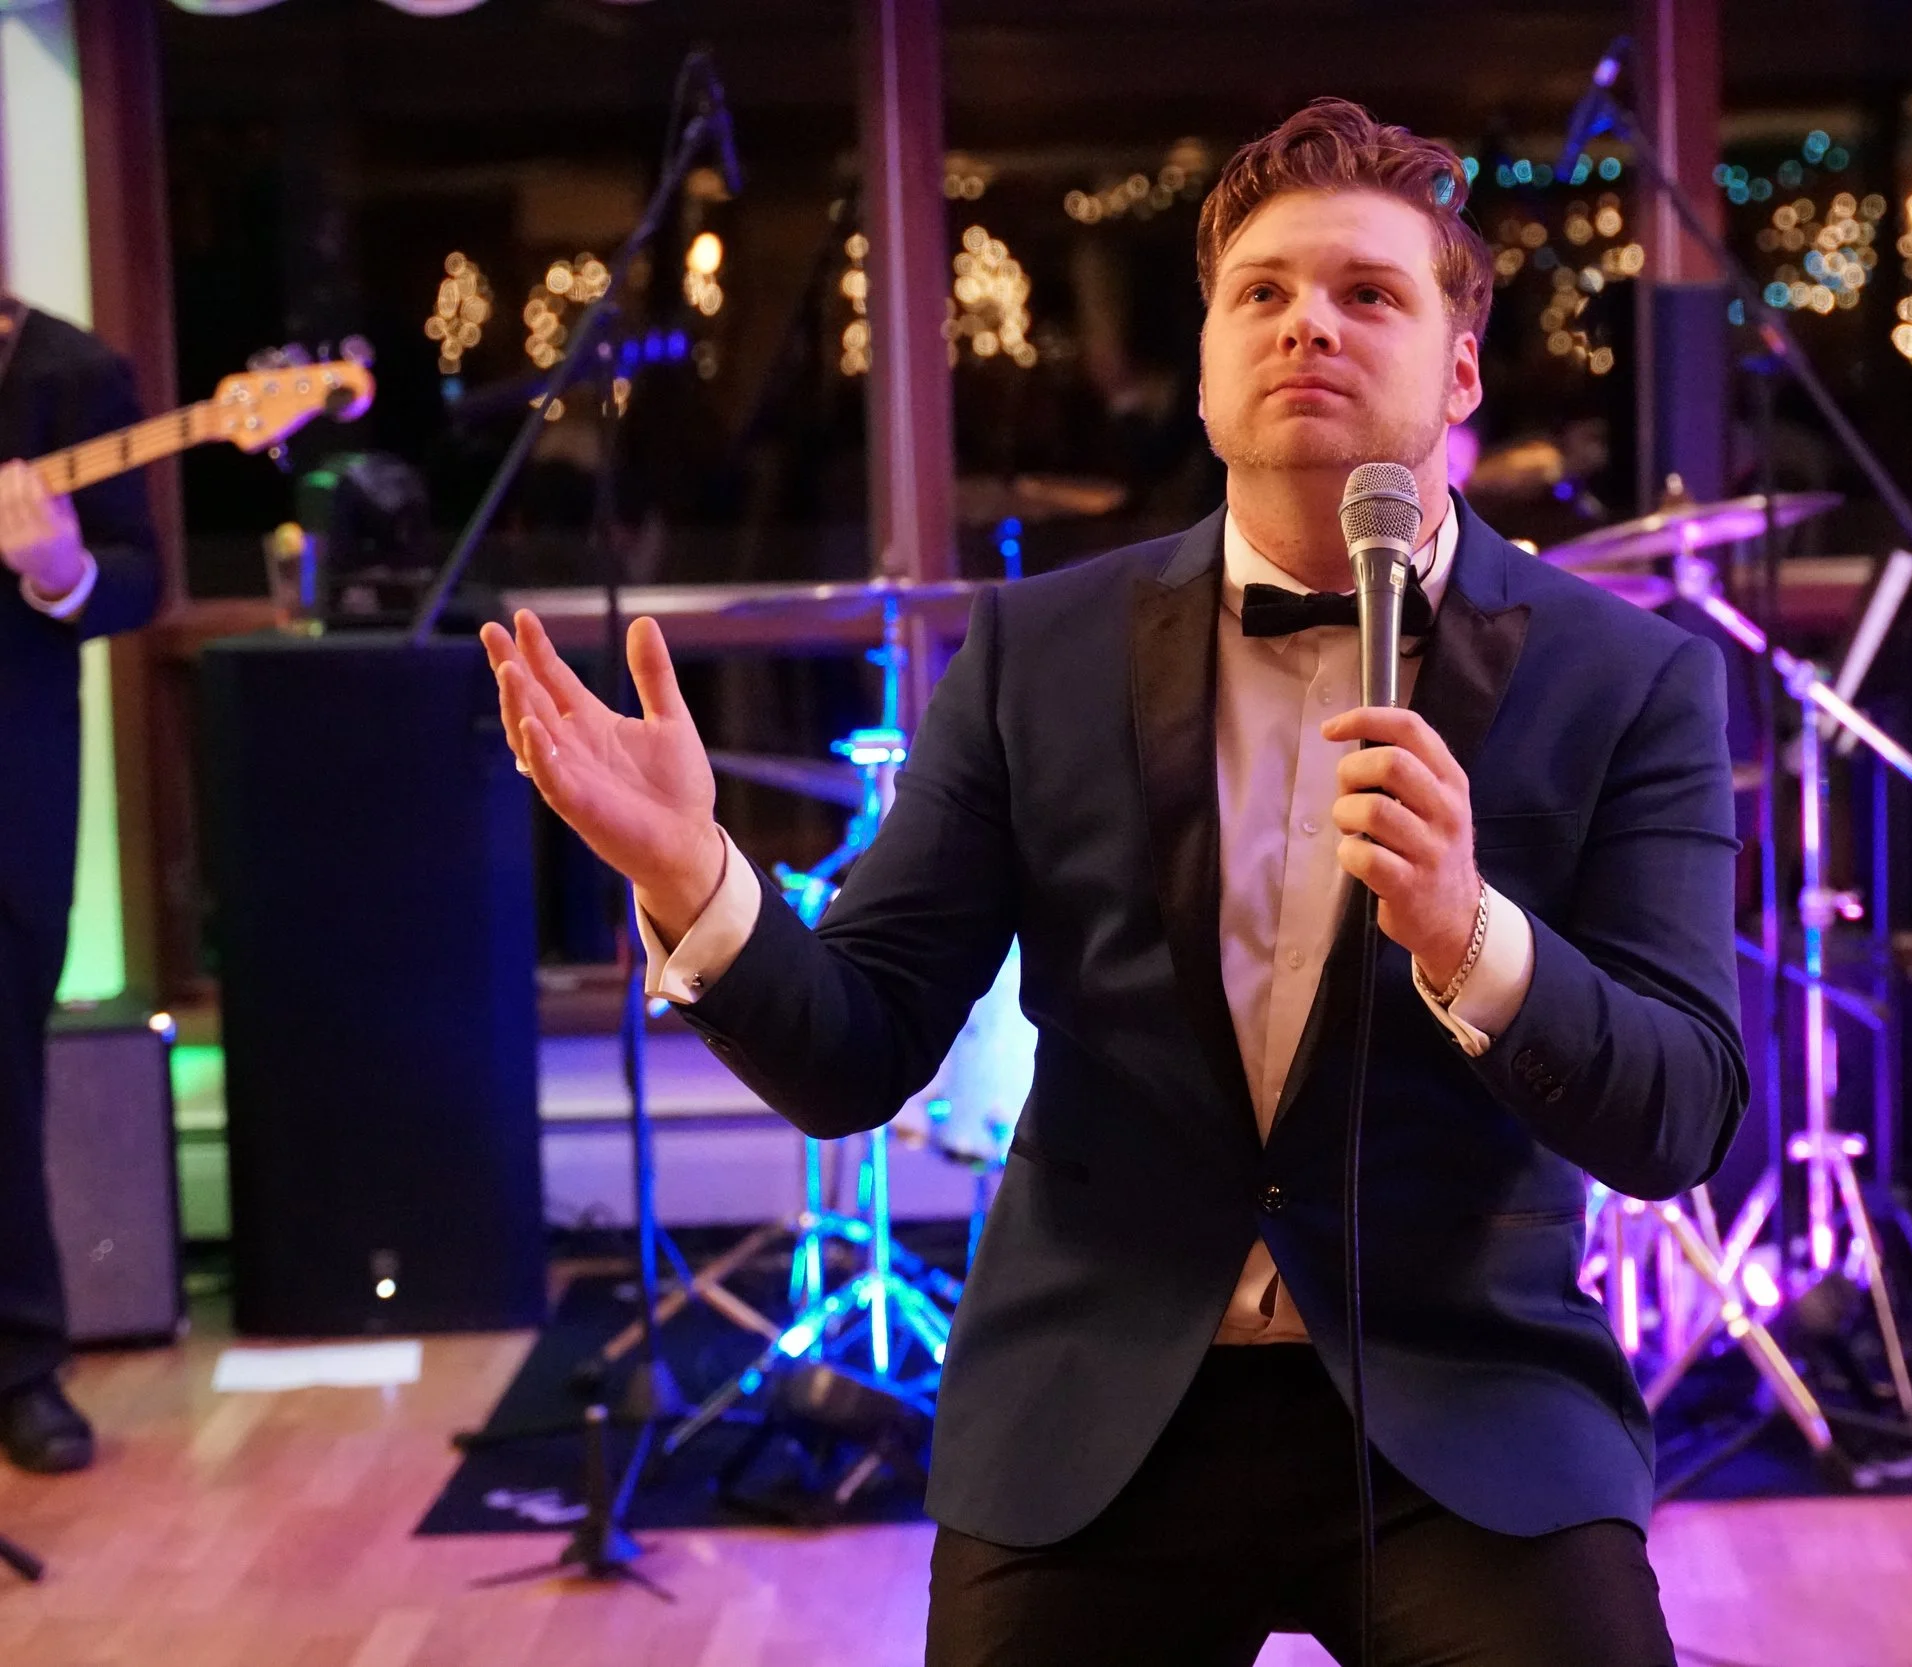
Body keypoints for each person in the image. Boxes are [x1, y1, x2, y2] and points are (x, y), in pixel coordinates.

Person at [485, 99, 1744, 1666]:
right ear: (1210, 370)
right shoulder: (1037, 652)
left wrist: (1471, 937)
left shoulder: (1632, 681)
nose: (1311, 327)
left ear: (1461, 371)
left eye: (1371, 292)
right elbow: (858, 1047)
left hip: (1465, 1405)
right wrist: (695, 871)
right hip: (1097, 1407)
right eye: (1263, 293)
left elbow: (1686, 1111)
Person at [0, 298, 164, 1474]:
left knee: (1, 1074)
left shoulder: (72, 377)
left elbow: (139, 577)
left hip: (9, 780)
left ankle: (19, 1364)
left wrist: (61, 571)